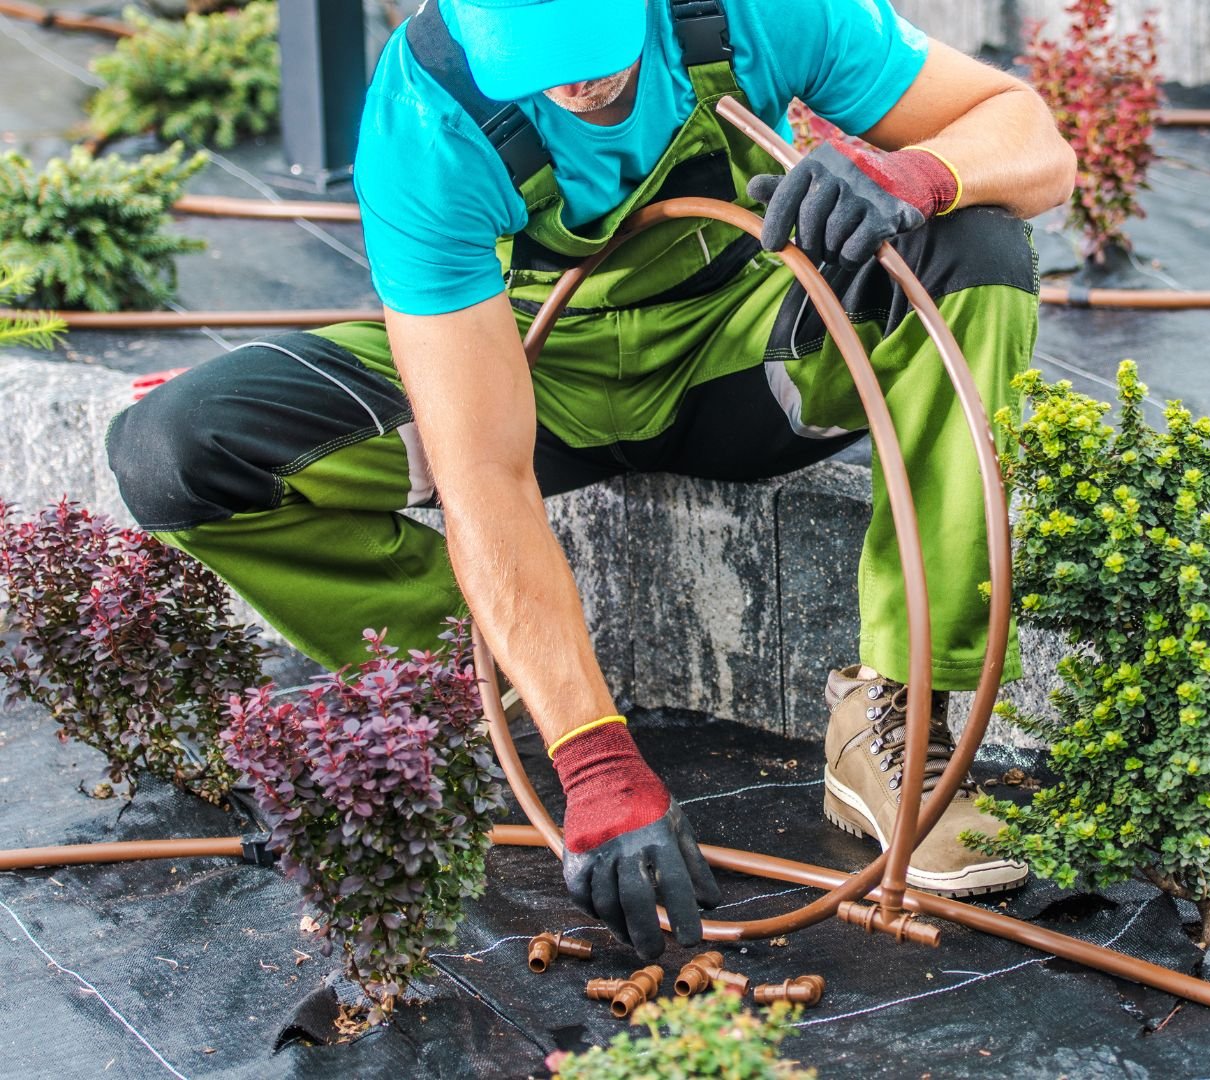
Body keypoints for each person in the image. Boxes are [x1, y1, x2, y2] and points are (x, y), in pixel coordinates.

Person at [104, 0, 1073, 960]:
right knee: (180, 449)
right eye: (534, 60)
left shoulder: (757, 13)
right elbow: (480, 466)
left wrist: (923, 171)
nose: (570, 81)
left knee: (979, 254)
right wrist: (592, 757)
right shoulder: (426, 114)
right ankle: (480, 681)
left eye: (589, 47)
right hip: (528, 372)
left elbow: (1032, 137)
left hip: (746, 364)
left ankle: (895, 720)